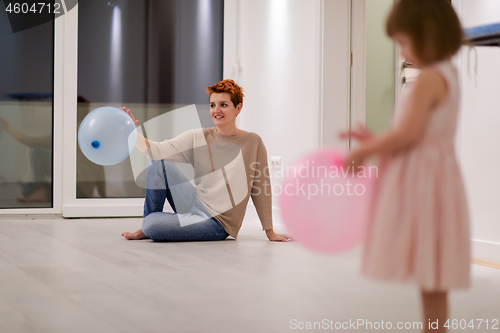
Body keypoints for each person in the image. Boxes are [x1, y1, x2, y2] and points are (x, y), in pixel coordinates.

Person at [340, 1, 469, 332]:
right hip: (436, 175)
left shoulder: (428, 80)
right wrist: (375, 139)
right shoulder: (448, 74)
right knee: (432, 271)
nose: (400, 53)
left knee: (430, 267)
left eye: (402, 42)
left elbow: (409, 134)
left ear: (427, 34)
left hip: (426, 181)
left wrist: (364, 149)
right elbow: (417, 133)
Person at [121, 79, 292, 242]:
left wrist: (269, 231)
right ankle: (146, 228)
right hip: (194, 202)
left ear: (238, 108)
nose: (216, 110)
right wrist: (133, 133)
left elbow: (261, 187)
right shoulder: (199, 137)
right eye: (212, 105)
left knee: (154, 224)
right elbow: (156, 151)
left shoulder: (253, 142)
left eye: (223, 105)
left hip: (217, 222)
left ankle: (150, 225)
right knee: (157, 164)